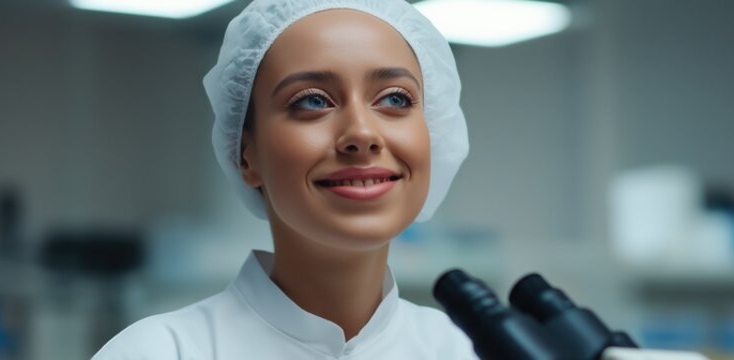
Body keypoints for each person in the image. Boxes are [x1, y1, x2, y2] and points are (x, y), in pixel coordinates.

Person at [92, 0, 472, 358]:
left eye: (395, 99)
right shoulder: (160, 352)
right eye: (312, 101)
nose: (362, 133)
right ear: (245, 155)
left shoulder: (467, 350)